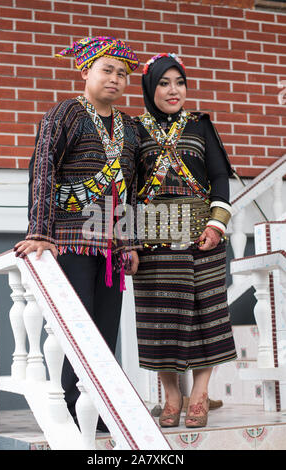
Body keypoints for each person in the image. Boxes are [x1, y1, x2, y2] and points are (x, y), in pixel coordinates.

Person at [14, 36, 140, 431]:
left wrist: (131, 241)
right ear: (85, 71)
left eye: (122, 73)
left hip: (113, 248)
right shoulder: (66, 113)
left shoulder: (130, 128)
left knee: (104, 333)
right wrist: (40, 231)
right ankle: (70, 409)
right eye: (107, 69)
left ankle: (98, 410)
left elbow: (132, 189)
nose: (116, 78)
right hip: (69, 241)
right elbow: (43, 171)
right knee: (77, 327)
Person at [133, 53, 237, 428]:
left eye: (179, 82)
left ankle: (199, 393)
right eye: (163, 82)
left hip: (202, 236)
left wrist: (217, 224)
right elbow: (127, 187)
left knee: (205, 315)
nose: (173, 90)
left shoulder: (200, 125)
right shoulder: (134, 129)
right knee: (161, 320)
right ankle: (172, 395)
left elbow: (219, 178)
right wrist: (127, 240)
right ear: (149, 88)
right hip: (153, 238)